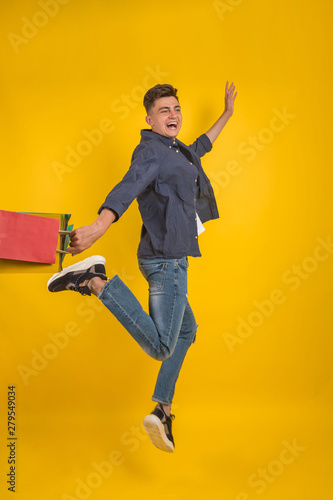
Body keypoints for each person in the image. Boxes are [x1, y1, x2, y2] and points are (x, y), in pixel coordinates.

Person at [47, 81, 237, 453]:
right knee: (163, 346)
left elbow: (201, 147)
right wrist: (100, 226)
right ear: (149, 119)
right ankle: (95, 280)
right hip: (166, 261)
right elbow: (128, 186)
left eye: (176, 108)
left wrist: (227, 114)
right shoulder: (151, 151)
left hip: (171, 258)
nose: (174, 115)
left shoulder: (177, 151)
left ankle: (163, 410)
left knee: (187, 331)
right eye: (164, 110)